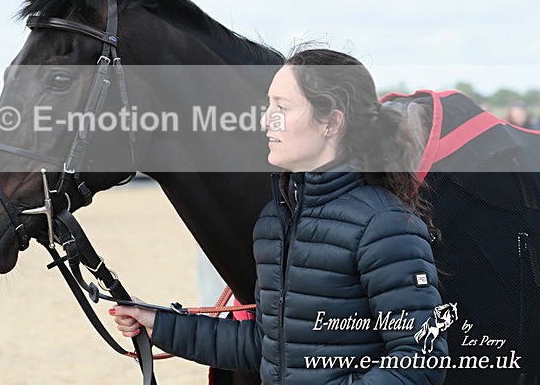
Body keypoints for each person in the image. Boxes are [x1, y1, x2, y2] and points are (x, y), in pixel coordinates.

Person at [111, 49, 448, 384]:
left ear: (331, 122)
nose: (265, 120)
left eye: (282, 108)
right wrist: (159, 323)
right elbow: (269, 347)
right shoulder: (275, 221)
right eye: (268, 105)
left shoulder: (386, 226)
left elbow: (421, 361)